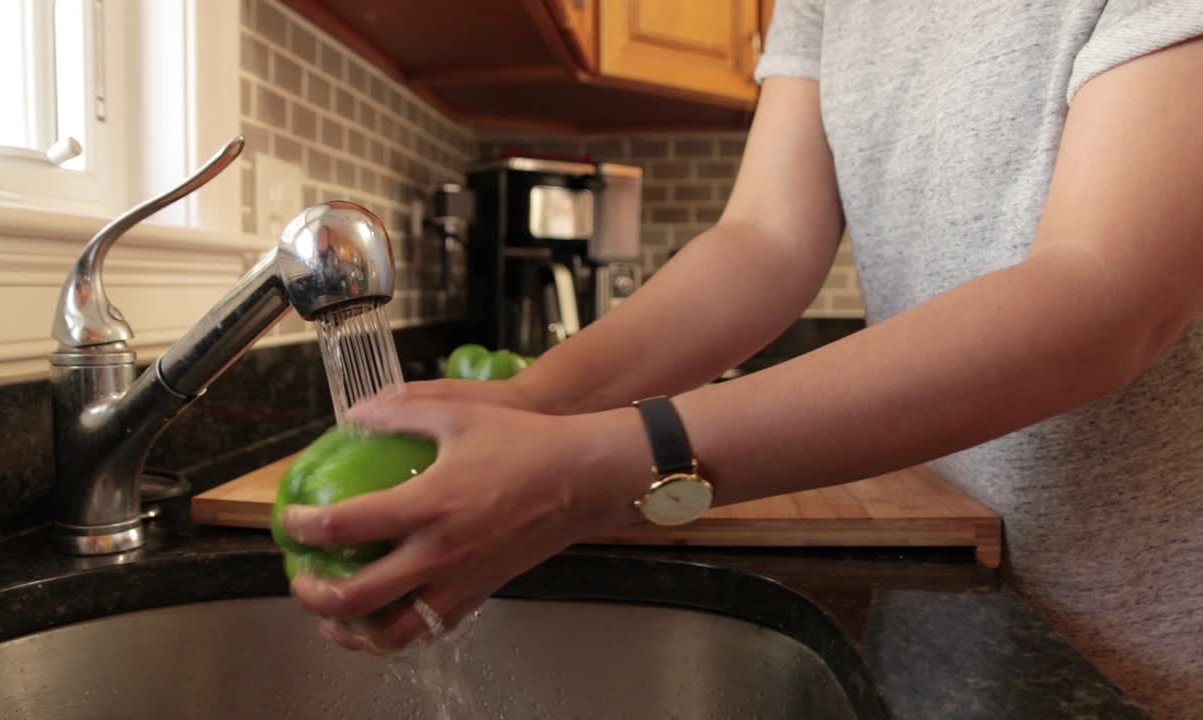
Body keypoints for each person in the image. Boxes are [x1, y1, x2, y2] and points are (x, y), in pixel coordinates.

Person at [282, 2, 1203, 717]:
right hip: (946, 609)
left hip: (1150, 649)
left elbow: (1106, 290)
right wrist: (532, 401)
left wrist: (609, 465)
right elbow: (764, 240)